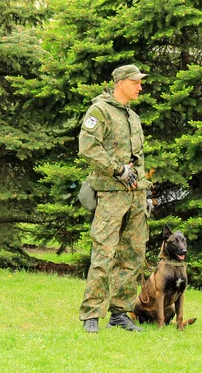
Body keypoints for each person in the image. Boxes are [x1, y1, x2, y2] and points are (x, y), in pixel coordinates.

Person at [78, 64, 151, 334]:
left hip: (135, 195)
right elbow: (87, 148)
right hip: (110, 195)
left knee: (132, 254)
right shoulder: (100, 111)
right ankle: (91, 316)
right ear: (121, 83)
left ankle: (120, 313)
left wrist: (144, 188)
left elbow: (138, 158)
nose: (140, 87)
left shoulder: (133, 117)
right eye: (135, 82)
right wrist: (117, 170)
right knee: (104, 253)